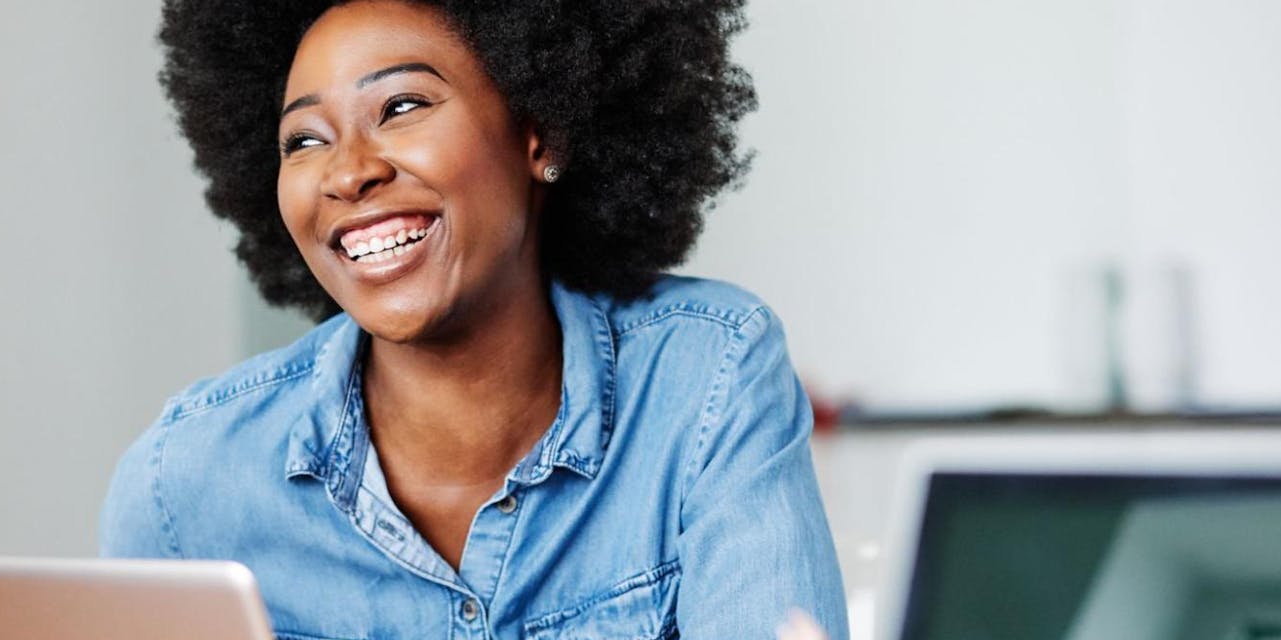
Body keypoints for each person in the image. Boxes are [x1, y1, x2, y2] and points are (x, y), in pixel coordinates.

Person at [102, 0, 848, 637]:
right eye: (304, 140)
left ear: (540, 133)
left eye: (401, 107)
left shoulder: (706, 377)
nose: (349, 170)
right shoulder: (184, 483)